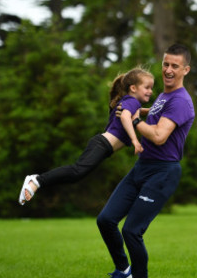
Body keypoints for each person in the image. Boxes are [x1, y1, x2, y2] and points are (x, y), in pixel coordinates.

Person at [95, 43, 194, 278]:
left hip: (163, 172)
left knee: (131, 231)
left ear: (186, 70)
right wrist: (134, 109)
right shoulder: (164, 96)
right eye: (165, 64)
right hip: (143, 167)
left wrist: (135, 118)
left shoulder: (181, 101)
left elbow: (159, 136)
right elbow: (157, 113)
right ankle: (122, 272)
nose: (168, 70)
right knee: (106, 220)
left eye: (174, 66)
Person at [18, 67, 155, 205]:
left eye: (151, 88)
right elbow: (125, 117)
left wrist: (152, 111)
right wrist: (135, 140)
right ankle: (36, 180)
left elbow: (138, 111)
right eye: (147, 87)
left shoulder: (130, 103)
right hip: (102, 144)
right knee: (76, 171)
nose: (151, 91)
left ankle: (38, 181)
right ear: (133, 88)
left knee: (76, 175)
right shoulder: (133, 102)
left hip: (102, 145)